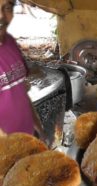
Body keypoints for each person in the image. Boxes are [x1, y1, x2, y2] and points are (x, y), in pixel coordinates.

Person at [0, 0, 45, 139]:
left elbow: (20, 91)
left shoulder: (9, 42)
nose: (1, 16)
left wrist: (38, 127)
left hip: (27, 139)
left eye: (7, 7)